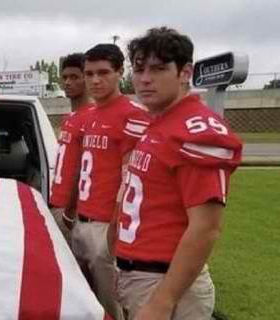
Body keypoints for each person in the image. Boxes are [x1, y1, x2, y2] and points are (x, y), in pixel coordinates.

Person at [114, 27, 242, 320]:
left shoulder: (197, 131)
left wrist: (163, 301)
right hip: (140, 272)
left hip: (163, 281)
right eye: (139, 69)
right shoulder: (159, 121)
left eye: (158, 69)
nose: (145, 79)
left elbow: (205, 228)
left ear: (185, 72)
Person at [72, 44, 150, 320]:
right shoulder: (90, 115)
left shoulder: (133, 113)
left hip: (106, 224)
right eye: (89, 73)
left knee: (111, 305)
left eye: (103, 72)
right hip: (83, 221)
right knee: (84, 300)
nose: (95, 80)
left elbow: (132, 178)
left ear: (120, 72)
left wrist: (116, 227)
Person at [49, 52, 94, 239]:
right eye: (65, 77)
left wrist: (70, 209)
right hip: (56, 202)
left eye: (75, 77)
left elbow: (82, 168)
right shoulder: (70, 118)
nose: (67, 82)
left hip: (71, 208)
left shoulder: (92, 117)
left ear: (87, 78)